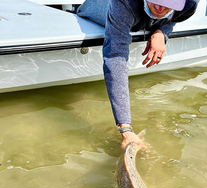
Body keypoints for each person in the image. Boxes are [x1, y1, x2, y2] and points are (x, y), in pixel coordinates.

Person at [77, 0, 199, 148]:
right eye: (156, 0)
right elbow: (115, 57)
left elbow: (174, 19)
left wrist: (162, 32)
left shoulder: (189, 4)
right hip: (100, 7)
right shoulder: (123, 3)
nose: (160, 8)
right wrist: (125, 129)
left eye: (169, 3)